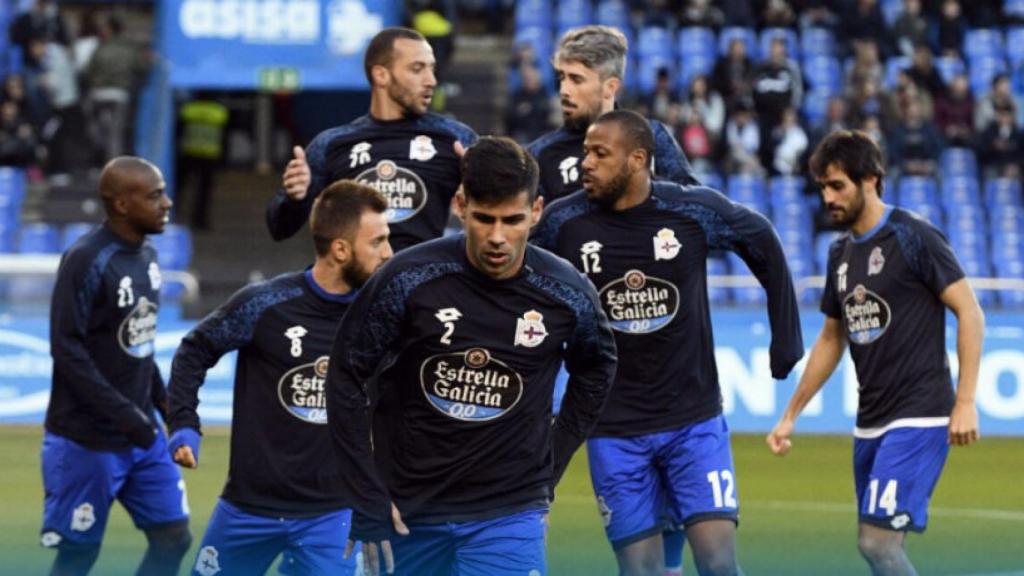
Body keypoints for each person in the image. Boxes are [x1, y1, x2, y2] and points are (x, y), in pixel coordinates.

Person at [326, 136, 617, 576]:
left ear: (537, 211)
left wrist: (549, 465)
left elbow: (597, 368)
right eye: (484, 219)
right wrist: (366, 494)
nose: (497, 237)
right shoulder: (406, 279)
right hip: (407, 515)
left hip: (508, 513)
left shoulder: (567, 292)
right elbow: (345, 376)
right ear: (460, 205)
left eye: (513, 220)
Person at [532, 110, 804, 576]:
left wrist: (786, 339)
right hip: (613, 431)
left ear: (637, 159)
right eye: (585, 153)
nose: (585, 164)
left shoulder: (690, 211)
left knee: (718, 564)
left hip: (692, 422)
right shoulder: (563, 222)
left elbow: (762, 239)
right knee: (641, 572)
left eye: (600, 153)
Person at [767, 130, 984, 576]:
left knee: (877, 543)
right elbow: (832, 337)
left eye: (837, 185)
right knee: (881, 546)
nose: (827, 197)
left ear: (870, 180)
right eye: (822, 187)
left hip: (920, 414)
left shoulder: (914, 236)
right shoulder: (840, 253)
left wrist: (965, 401)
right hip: (871, 422)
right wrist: (791, 413)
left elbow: (970, 312)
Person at [166, 180, 392, 576]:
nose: (389, 253)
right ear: (340, 249)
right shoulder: (265, 304)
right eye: (378, 242)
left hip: (333, 514)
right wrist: (183, 423)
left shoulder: (382, 317)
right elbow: (194, 350)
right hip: (247, 509)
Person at [40, 156, 190, 575]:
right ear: (122, 204)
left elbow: (141, 347)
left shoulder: (148, 255)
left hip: (142, 437)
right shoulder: (86, 259)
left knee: (174, 537)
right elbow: (66, 348)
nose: (168, 203)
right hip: (86, 441)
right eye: (155, 195)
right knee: (78, 555)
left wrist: (169, 412)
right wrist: (126, 415)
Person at [267, 27, 477, 252]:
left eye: (431, 69)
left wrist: (481, 182)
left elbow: (504, 203)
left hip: (423, 280)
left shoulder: (454, 138)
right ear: (381, 75)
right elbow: (279, 228)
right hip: (358, 284)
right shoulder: (332, 144)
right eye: (418, 69)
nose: (431, 80)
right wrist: (295, 197)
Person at [527, 25, 698, 204]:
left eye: (576, 80)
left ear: (610, 87)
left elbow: (694, 206)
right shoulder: (541, 154)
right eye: (562, 77)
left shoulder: (651, 136)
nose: (564, 90)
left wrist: (645, 186)